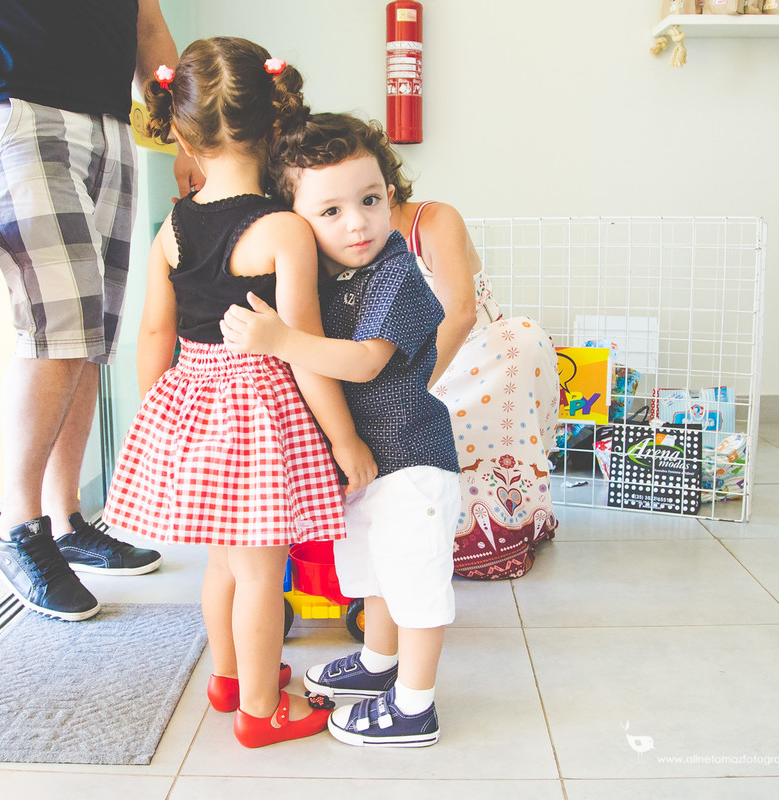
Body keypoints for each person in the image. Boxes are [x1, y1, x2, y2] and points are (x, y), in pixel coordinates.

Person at [101, 37, 377, 748]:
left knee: (223, 562)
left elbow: (154, 335)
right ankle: (261, 711)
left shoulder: (174, 224)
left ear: (182, 129)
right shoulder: (282, 228)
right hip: (255, 411)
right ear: (277, 123)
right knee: (262, 570)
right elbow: (306, 349)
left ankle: (229, 679)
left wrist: (153, 425)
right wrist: (345, 439)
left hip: (190, 397)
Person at [0, 0, 197, 620]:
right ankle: (15, 526)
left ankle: (63, 513)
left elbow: (146, 21)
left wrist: (190, 136)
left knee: (93, 327)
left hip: (107, 116)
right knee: (58, 323)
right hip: (8, 98)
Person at [220, 113, 461, 747]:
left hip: (413, 460)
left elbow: (365, 360)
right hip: (367, 465)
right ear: (298, 218)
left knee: (414, 585)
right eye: (331, 212)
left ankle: (415, 706)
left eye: (371, 200)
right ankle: (381, 665)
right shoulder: (322, 275)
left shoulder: (396, 273)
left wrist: (280, 339)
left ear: (391, 194)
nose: (357, 222)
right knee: (374, 575)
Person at [376, 119, 561, 580]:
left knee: (520, 338)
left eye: (369, 194)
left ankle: (501, 527)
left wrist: (412, 390)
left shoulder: (434, 220)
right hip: (400, 366)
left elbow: (459, 313)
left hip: (476, 355)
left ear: (389, 183)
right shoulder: (345, 242)